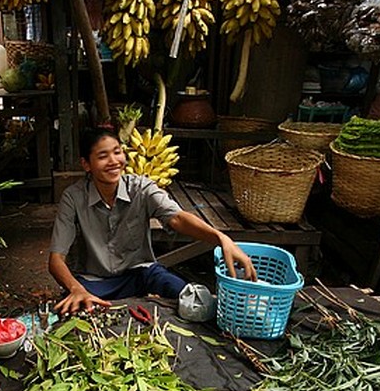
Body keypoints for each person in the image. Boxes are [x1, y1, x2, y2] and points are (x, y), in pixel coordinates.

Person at [48, 128, 257, 314]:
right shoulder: (73, 197)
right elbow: (56, 260)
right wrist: (77, 289)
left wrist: (221, 238)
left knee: (191, 300)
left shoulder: (141, 189)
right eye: (103, 156)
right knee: (75, 312)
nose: (113, 161)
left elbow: (177, 218)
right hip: (94, 282)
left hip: (141, 274)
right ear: (86, 164)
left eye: (117, 152)